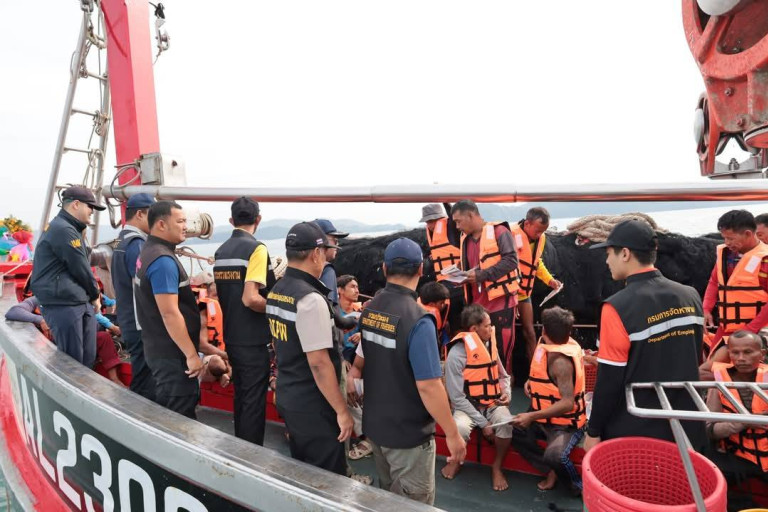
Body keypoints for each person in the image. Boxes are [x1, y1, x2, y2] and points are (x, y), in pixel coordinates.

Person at [346, 237, 466, 505]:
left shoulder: (370, 309)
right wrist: (452, 433)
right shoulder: (419, 320)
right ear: (421, 270)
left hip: (376, 428)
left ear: (385, 269)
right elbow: (429, 386)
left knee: (388, 498)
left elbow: (365, 358)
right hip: (407, 438)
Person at [584, 220, 705, 452]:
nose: (607, 261)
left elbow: (609, 380)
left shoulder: (616, 307)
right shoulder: (690, 296)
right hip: (687, 425)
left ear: (625, 254)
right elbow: (692, 356)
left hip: (637, 429)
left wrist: (594, 430)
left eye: (609, 254)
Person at [266, 222, 352, 475]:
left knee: (303, 468)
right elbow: (319, 363)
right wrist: (342, 411)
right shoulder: (310, 299)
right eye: (324, 252)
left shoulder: (276, 291)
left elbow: (278, 342)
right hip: (314, 404)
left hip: (289, 394)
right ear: (316, 254)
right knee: (327, 475)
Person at [213, 197, 277, 445]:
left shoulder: (221, 252)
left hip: (232, 336)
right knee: (253, 402)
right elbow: (250, 299)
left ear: (231, 221)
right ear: (258, 219)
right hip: (253, 340)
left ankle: (239, 448)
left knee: (241, 397)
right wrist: (277, 306)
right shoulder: (256, 249)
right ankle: (250, 456)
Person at [134, 201, 202, 419]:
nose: (186, 227)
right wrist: (191, 355)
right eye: (180, 221)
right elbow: (169, 313)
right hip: (173, 356)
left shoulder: (148, 252)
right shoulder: (163, 261)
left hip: (158, 348)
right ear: (161, 225)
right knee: (180, 417)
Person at [512, 306, 586, 493]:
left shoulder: (561, 363)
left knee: (555, 456)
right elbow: (543, 373)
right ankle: (549, 470)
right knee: (512, 430)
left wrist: (531, 416)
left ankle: (578, 487)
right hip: (542, 414)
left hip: (565, 423)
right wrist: (531, 381)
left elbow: (568, 403)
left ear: (544, 330)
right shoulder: (547, 345)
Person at [30, 185, 105, 367]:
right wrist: (95, 295)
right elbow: (80, 267)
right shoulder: (63, 229)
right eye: (90, 206)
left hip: (76, 300)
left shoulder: (70, 228)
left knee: (87, 359)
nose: (92, 212)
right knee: (72, 362)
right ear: (76, 205)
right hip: (63, 303)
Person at [441, 304, 513, 491]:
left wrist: (506, 393)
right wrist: (483, 423)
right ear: (474, 329)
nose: (491, 328)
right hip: (467, 406)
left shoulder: (489, 346)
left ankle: (496, 467)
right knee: (460, 427)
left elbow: (504, 376)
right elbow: (456, 398)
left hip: (493, 403)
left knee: (506, 423)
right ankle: (456, 460)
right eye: (487, 326)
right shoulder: (456, 354)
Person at [451, 199, 520, 372]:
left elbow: (511, 260)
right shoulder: (465, 239)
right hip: (476, 308)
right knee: (479, 354)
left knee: (502, 355)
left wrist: (481, 275)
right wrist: (461, 276)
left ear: (470, 215)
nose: (457, 227)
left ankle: (506, 386)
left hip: (500, 305)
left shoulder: (500, 231)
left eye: (459, 221)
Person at [700, 210, 768, 380]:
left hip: (757, 332)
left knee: (707, 372)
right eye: (724, 238)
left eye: (730, 238)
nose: (727, 243)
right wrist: (706, 308)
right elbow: (714, 281)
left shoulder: (765, 258)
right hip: (725, 329)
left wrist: (751, 329)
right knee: (712, 371)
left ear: (748, 234)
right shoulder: (724, 255)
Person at [705, 330, 768, 509]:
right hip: (736, 458)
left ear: (762, 354)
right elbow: (710, 429)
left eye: (748, 352)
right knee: (705, 473)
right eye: (735, 353)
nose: (741, 358)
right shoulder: (719, 382)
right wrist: (745, 422)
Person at [5, 295, 124, 386]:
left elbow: (90, 322)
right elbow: (13, 311)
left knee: (104, 337)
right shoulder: (38, 299)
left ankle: (114, 379)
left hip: (80, 341)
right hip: (53, 349)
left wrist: (108, 327)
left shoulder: (74, 297)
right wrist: (40, 320)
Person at [112, 192, 155, 400]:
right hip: (140, 323)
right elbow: (145, 285)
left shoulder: (121, 242)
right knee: (146, 379)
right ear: (140, 214)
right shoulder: (137, 244)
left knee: (141, 372)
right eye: (153, 216)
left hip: (128, 319)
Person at [510, 207, 562, 362]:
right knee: (507, 334)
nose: (540, 235)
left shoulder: (541, 239)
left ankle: (535, 369)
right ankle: (508, 372)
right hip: (507, 293)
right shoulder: (510, 235)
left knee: (530, 332)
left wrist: (549, 280)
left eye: (543, 231)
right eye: (538, 231)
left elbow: (536, 262)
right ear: (527, 223)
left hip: (524, 293)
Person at [421, 203, 464, 334]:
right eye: (427, 222)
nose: (429, 225)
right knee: (449, 323)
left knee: (459, 323)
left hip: (458, 284)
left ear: (440, 218)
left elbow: (453, 213)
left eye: (431, 221)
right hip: (443, 287)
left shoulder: (451, 227)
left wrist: (445, 201)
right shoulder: (431, 234)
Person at [417, 282, 451, 351]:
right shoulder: (423, 321)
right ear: (431, 304)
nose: (444, 304)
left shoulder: (431, 302)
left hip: (441, 334)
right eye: (442, 303)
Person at [337, 274, 362, 364]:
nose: (357, 291)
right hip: (337, 358)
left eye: (357, 287)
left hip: (355, 359)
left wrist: (361, 335)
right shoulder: (332, 312)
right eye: (352, 287)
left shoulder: (361, 312)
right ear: (340, 290)